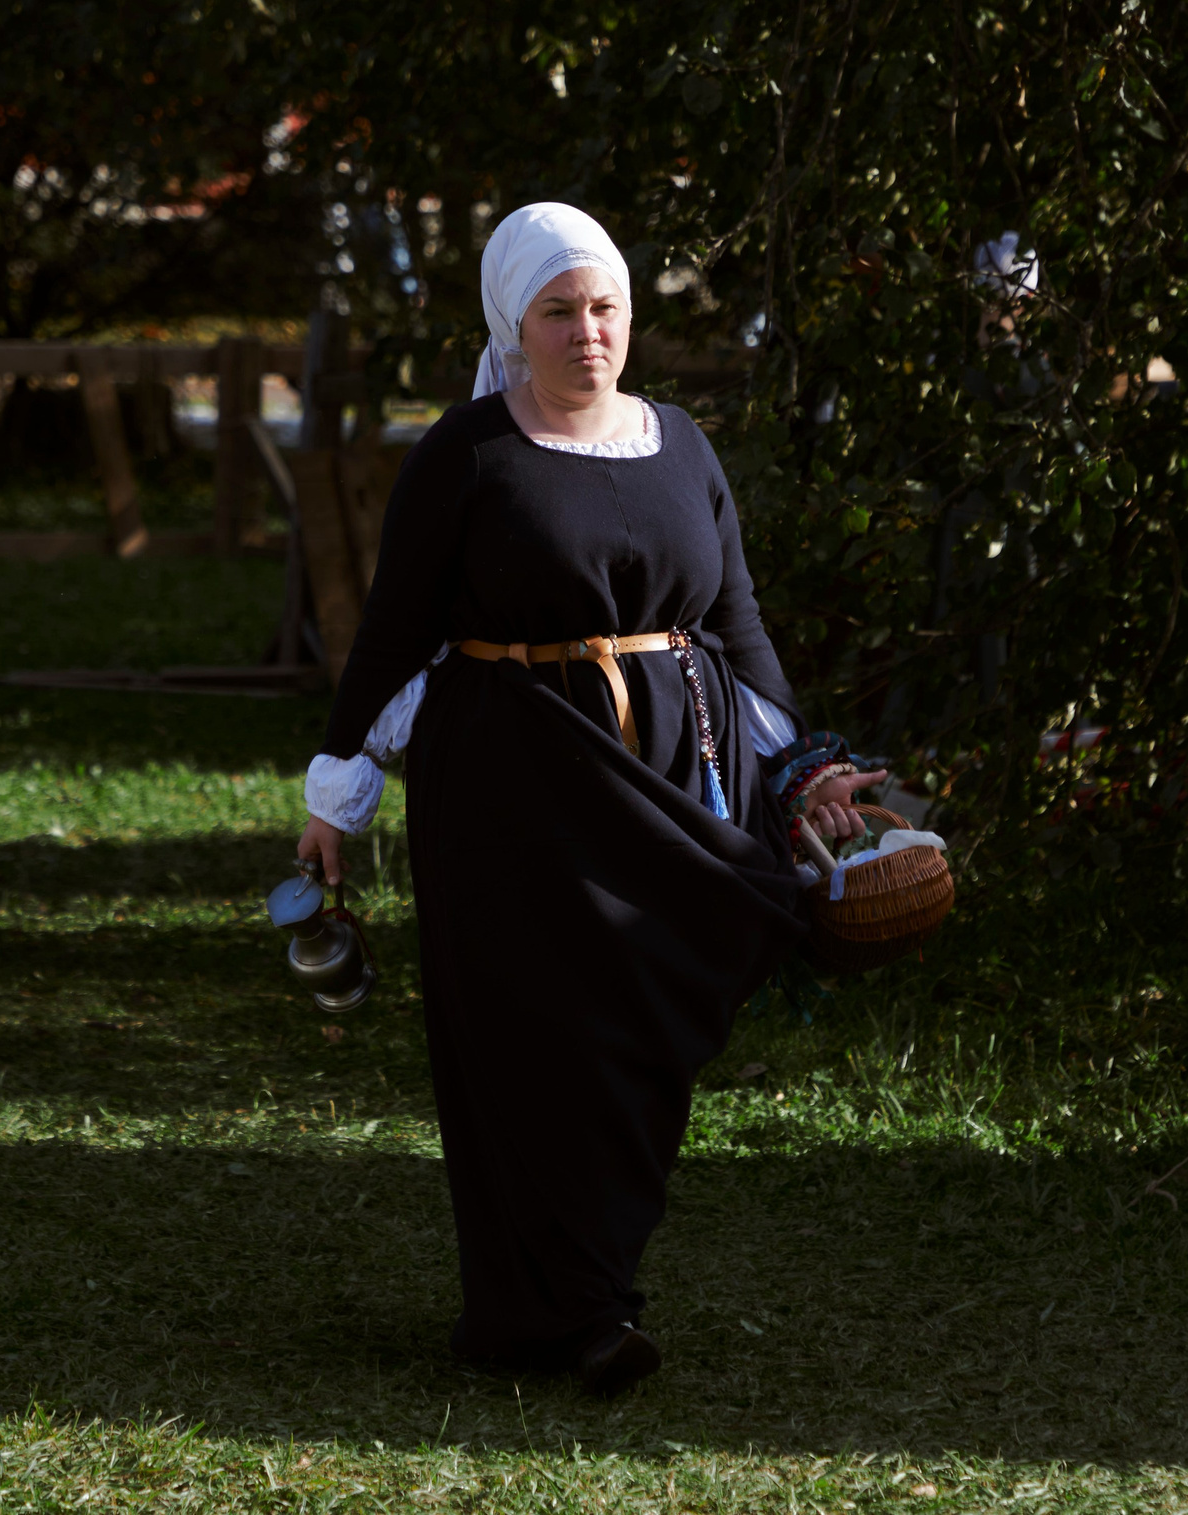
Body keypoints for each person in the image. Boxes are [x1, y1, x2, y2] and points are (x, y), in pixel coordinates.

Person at [295, 203, 889, 1396]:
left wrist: (804, 768)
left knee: (639, 1030)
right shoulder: (465, 453)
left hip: (668, 768)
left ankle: (582, 1291)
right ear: (513, 326)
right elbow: (393, 632)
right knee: (532, 1039)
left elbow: (736, 623)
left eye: (605, 307)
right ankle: (574, 1314)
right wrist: (337, 797)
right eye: (558, 312)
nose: (586, 334)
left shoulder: (680, 444)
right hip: (508, 781)